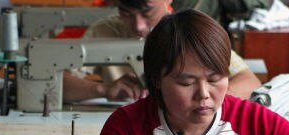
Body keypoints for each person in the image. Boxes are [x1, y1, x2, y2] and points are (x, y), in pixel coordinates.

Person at [96, 9, 289, 135]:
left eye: (215, 79)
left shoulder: (254, 120)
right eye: (186, 82)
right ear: (156, 80)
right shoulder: (125, 126)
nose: (204, 94)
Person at [64, 0, 261, 102]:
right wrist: (104, 90)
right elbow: (59, 82)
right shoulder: (104, 30)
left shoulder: (190, 30)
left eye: (147, 12)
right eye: (126, 13)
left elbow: (249, 82)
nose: (139, 25)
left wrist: (204, 98)